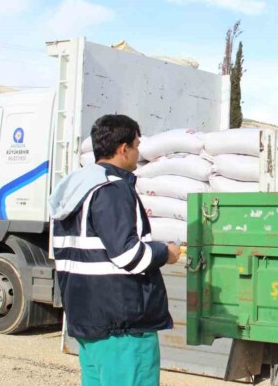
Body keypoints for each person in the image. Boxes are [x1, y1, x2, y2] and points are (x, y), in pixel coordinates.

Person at [48, 114, 182, 385]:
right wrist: (165, 253)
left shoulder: (75, 188)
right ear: (123, 149)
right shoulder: (112, 189)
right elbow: (128, 255)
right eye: (136, 145)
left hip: (88, 321)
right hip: (122, 328)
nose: (138, 152)